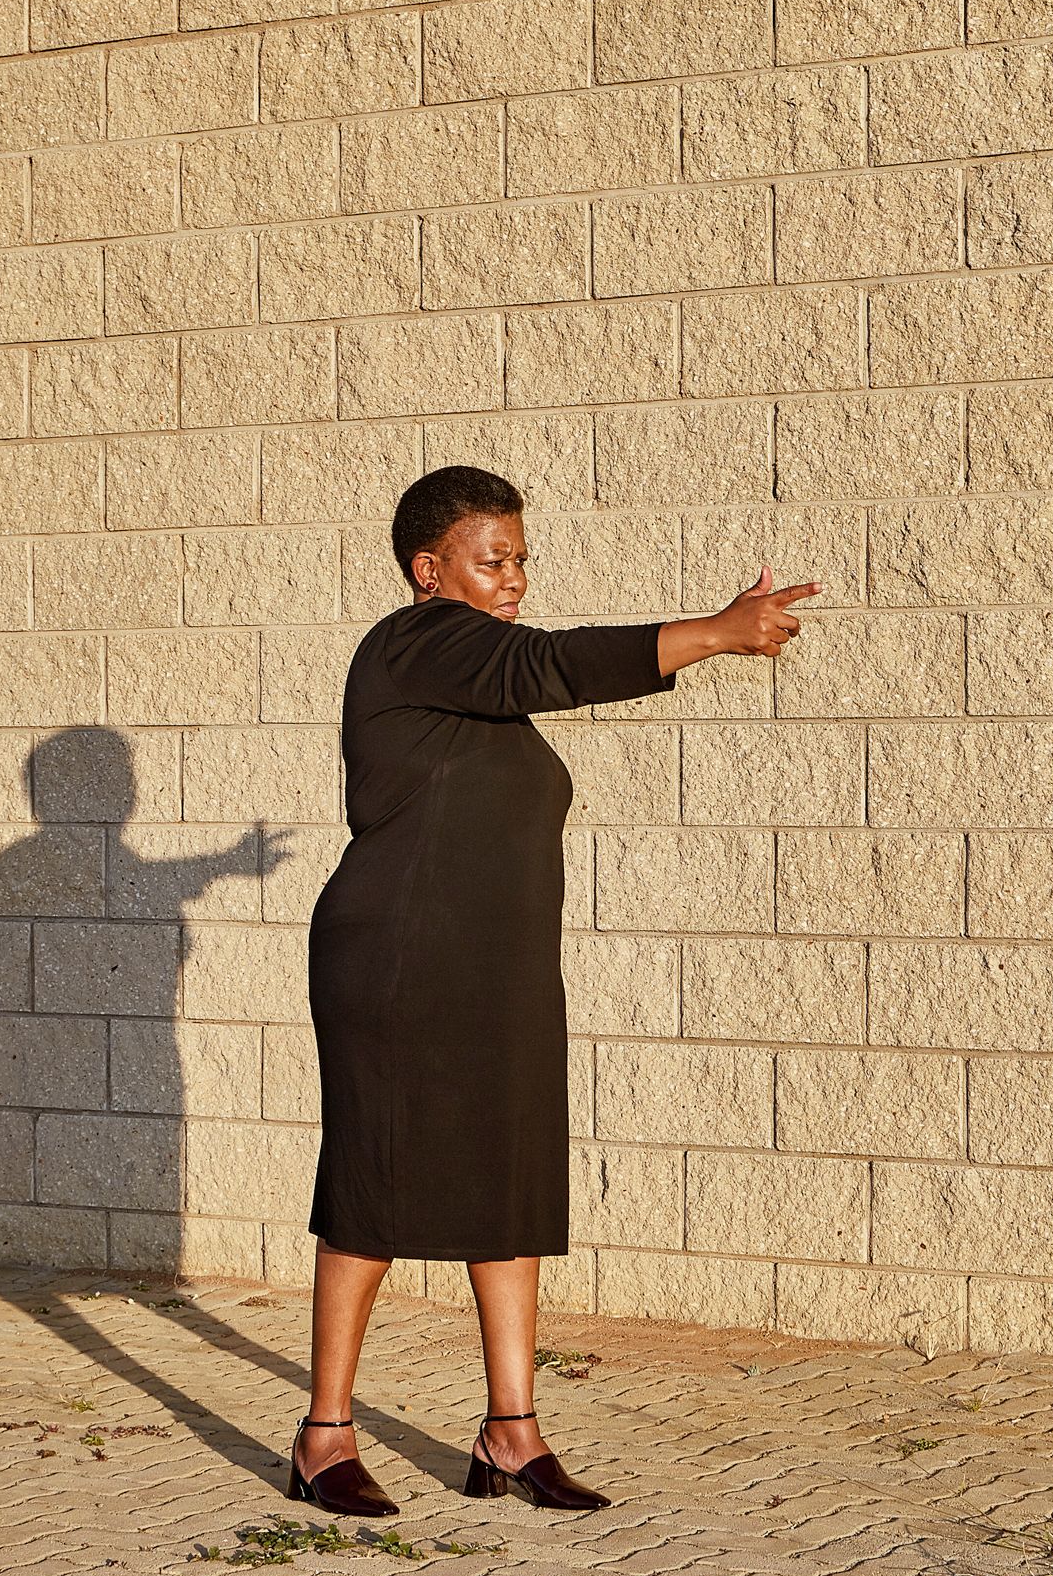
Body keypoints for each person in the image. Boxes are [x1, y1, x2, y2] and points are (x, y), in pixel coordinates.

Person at [291, 465, 817, 1516]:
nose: (515, 579)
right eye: (494, 560)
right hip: (396, 960)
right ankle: (323, 1437)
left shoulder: (476, 694)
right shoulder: (414, 642)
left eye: (522, 559)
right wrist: (716, 632)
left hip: (501, 972)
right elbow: (553, 661)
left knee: (511, 1182)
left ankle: (511, 1432)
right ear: (429, 569)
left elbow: (526, 677)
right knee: (375, 1182)